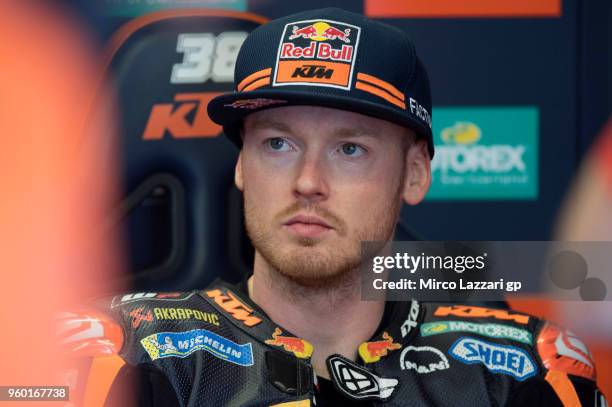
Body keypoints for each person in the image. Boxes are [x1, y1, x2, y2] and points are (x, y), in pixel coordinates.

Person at [63, 8, 607, 406]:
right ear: (240, 165)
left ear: (415, 173)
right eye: (278, 144)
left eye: (350, 149)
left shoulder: (521, 372)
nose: (306, 181)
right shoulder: (129, 356)